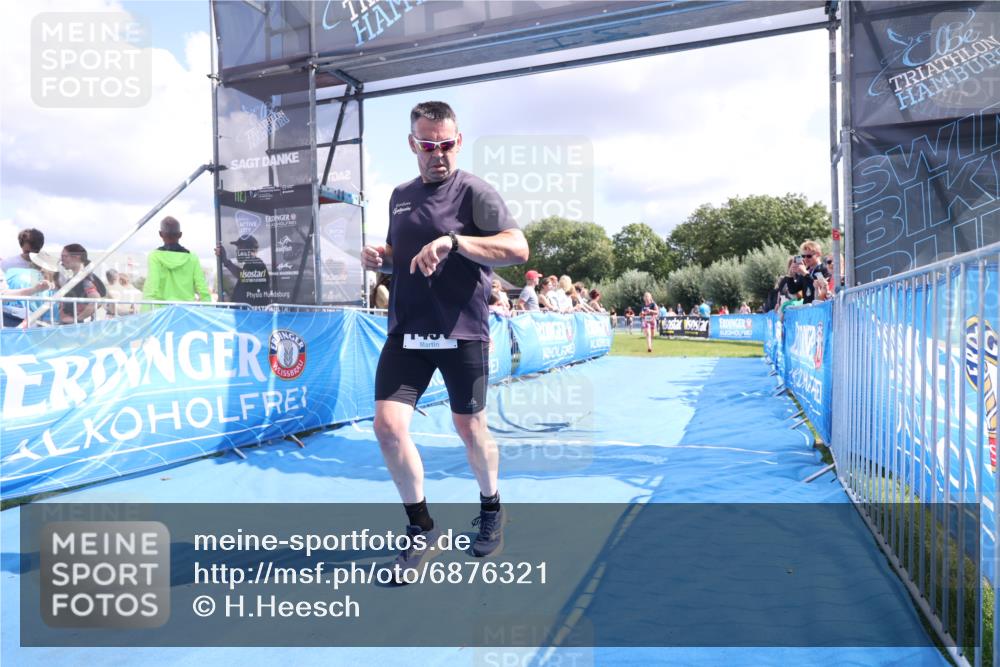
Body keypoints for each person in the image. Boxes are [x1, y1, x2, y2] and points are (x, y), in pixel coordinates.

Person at [360, 101, 529, 579]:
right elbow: (403, 256)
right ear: (414, 144)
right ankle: (421, 528)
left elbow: (517, 247)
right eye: (429, 145)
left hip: (462, 332)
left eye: (447, 143)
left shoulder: (474, 190)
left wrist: (456, 242)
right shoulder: (400, 195)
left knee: (470, 429)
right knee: (388, 429)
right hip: (406, 330)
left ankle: (491, 508)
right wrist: (382, 257)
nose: (439, 153)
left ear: (458, 140)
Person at [143, 217, 211, 305]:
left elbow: (151, 286)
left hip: (162, 313)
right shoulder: (192, 257)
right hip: (186, 312)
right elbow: (202, 288)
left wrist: (146, 314)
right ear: (180, 235)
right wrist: (208, 308)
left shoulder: (154, 256)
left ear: (160, 234)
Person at [1, 228, 47, 327]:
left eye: (35, 251)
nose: (31, 255)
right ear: (21, 246)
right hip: (12, 315)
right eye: (27, 251)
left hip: (39, 314)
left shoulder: (47, 265)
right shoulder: (7, 264)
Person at [58, 244, 108, 324]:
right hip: (71, 326)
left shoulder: (85, 280)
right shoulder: (76, 279)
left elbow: (97, 301)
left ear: (77, 257)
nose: (62, 260)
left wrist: (77, 319)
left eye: (64, 256)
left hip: (77, 327)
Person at [216, 235, 271, 307]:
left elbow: (243, 275)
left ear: (247, 249)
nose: (237, 251)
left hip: (252, 315)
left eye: (239, 248)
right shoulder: (249, 265)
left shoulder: (256, 263)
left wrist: (226, 262)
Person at [792, 240, 829, 305]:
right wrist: (790, 275)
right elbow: (793, 289)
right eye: (803, 256)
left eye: (809, 256)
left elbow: (817, 287)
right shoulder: (806, 271)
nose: (805, 259)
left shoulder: (824, 269)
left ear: (818, 254)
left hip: (819, 308)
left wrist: (806, 274)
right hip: (807, 309)